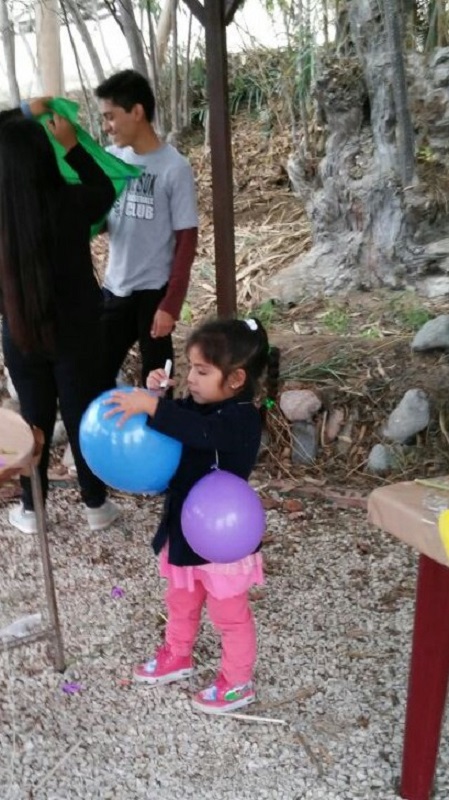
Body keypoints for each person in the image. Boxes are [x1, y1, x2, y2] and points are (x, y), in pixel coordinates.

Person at [105, 317, 280, 714]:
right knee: (180, 599)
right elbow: (178, 422)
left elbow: (201, 433)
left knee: (229, 614)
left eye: (202, 371)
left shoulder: (241, 419)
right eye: (189, 369)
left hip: (221, 538)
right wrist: (156, 395)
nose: (191, 379)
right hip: (184, 527)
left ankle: (238, 681)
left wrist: (153, 407)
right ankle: (178, 654)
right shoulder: (199, 406)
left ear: (236, 379)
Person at [0, 109, 120, 534]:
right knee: (81, 415)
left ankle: (32, 510)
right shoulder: (71, 202)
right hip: (78, 331)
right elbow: (105, 190)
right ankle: (96, 505)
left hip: (20, 331)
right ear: (43, 156)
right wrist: (72, 147)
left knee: (33, 418)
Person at [94, 69, 199, 387]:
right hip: (115, 287)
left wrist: (171, 305)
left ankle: (161, 420)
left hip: (154, 293)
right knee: (95, 372)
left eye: (111, 116)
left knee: (158, 381)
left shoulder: (174, 168)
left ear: (137, 112)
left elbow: (186, 241)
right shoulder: (111, 159)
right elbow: (99, 218)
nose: (106, 126)